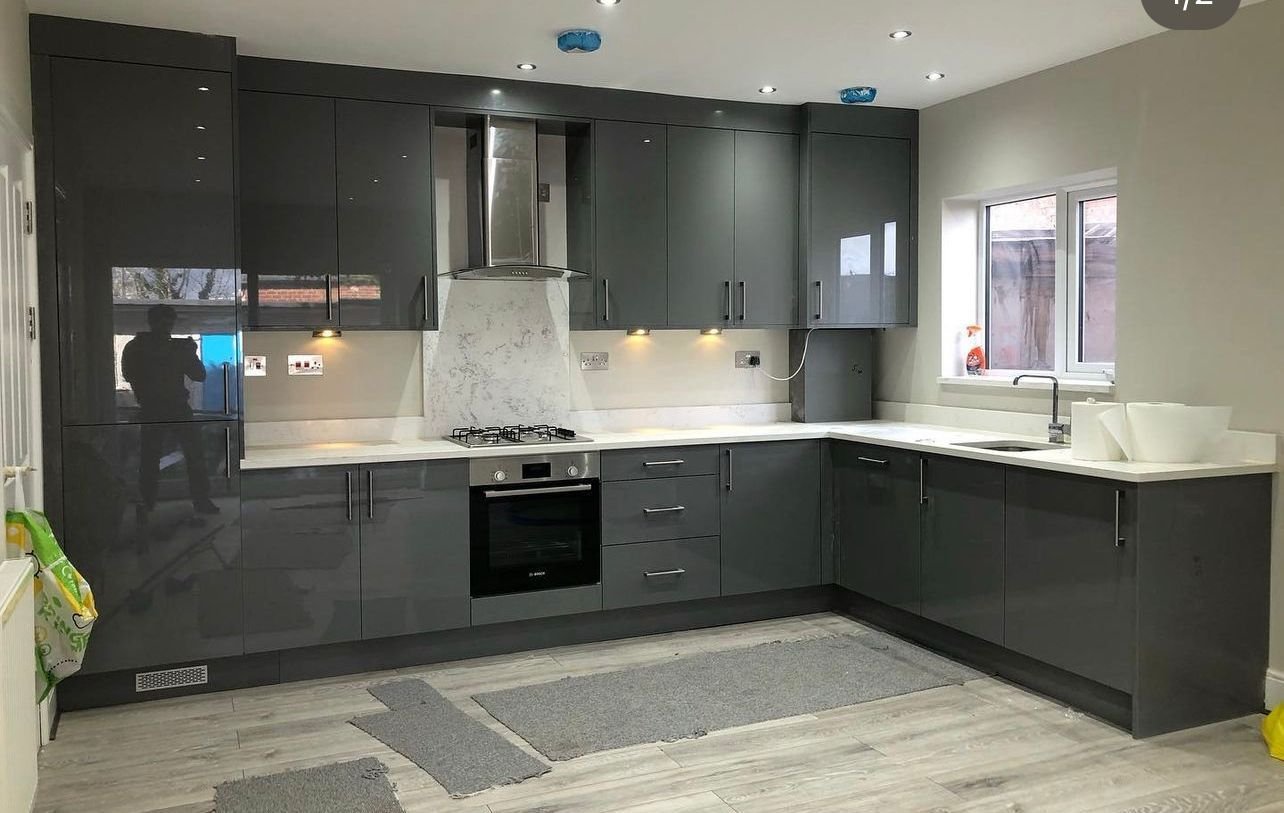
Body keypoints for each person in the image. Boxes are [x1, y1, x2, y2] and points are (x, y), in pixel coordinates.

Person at [121, 304, 219, 515]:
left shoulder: (140, 347)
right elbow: (132, 375)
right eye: (164, 323)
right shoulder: (139, 348)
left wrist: (187, 354)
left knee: (186, 456)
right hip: (159, 407)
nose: (167, 328)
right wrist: (180, 355)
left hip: (168, 407)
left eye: (169, 323)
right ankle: (150, 504)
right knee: (154, 459)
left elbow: (199, 375)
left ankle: (191, 501)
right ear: (153, 323)